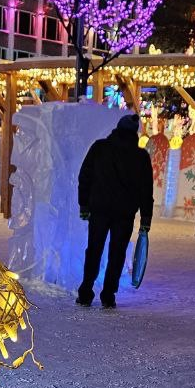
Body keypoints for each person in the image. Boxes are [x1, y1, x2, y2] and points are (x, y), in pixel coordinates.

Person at [77, 113, 153, 309]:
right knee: (117, 254)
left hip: (99, 210)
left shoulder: (99, 148)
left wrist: (84, 204)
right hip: (124, 214)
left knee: (94, 250)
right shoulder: (141, 157)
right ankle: (109, 295)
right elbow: (146, 190)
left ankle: (86, 291)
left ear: (117, 129)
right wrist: (146, 218)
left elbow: (85, 176)